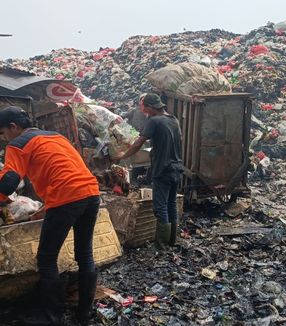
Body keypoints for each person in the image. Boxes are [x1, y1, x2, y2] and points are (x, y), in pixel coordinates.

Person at [0, 106, 100, 326]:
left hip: (67, 197)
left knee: (46, 258)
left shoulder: (17, 144)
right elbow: (64, 169)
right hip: (91, 193)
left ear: (13, 127)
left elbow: (8, 182)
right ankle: (84, 314)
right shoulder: (56, 137)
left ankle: (52, 317)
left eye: (3, 132)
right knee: (84, 253)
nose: (4, 137)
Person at [114, 93, 183, 247]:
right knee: (171, 203)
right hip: (177, 168)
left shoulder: (154, 121)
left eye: (144, 107)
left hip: (163, 169)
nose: (143, 110)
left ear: (151, 107)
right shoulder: (173, 120)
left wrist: (123, 155)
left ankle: (161, 244)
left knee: (160, 207)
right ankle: (172, 240)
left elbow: (138, 143)